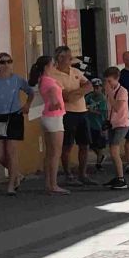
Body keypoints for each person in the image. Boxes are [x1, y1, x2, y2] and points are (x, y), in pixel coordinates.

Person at [29, 54, 68, 194]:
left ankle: (48, 183)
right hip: (54, 118)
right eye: (52, 64)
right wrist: (58, 104)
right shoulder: (49, 82)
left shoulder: (43, 80)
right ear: (47, 67)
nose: (54, 66)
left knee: (50, 153)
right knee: (55, 153)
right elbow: (53, 102)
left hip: (47, 117)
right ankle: (53, 184)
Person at [56, 47, 92, 186]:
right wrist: (81, 91)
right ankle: (68, 174)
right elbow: (66, 97)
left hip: (82, 111)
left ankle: (83, 174)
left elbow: (89, 85)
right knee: (67, 145)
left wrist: (77, 92)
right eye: (69, 57)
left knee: (84, 144)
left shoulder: (75, 71)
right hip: (67, 113)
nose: (71, 59)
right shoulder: (55, 75)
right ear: (60, 58)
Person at [0, 53, 33, 195]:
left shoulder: (17, 79)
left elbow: (30, 92)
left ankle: (11, 184)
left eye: (9, 61)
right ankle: (17, 174)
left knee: (11, 152)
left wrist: (27, 105)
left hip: (14, 116)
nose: (6, 65)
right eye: (3, 62)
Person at [101, 67, 129, 190]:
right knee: (112, 152)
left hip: (121, 124)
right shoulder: (110, 91)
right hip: (112, 124)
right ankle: (117, 176)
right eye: (106, 81)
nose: (108, 84)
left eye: (110, 81)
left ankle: (122, 179)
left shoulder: (122, 91)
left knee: (114, 151)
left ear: (117, 79)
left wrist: (109, 93)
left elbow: (117, 107)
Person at [86, 78, 110, 171]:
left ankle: (98, 164)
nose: (95, 89)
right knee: (91, 145)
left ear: (100, 87)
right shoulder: (89, 96)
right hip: (90, 123)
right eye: (94, 87)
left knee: (100, 145)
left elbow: (103, 112)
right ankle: (101, 156)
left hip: (99, 124)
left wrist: (92, 110)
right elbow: (84, 105)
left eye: (97, 87)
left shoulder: (102, 98)